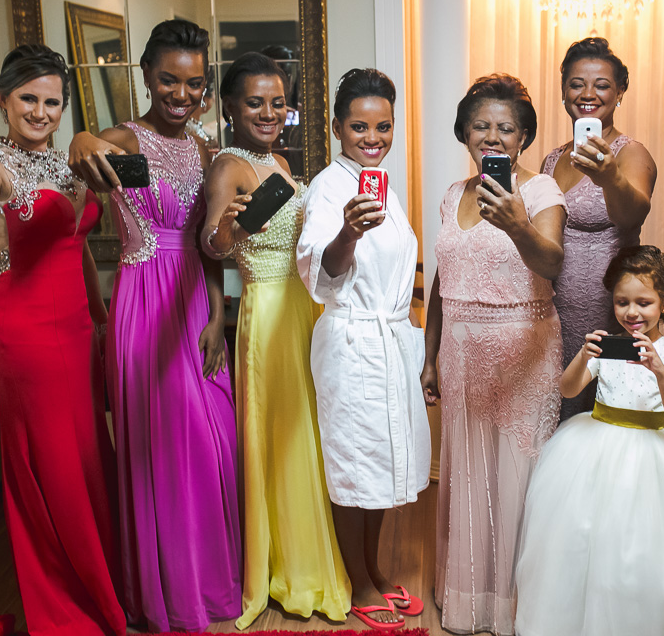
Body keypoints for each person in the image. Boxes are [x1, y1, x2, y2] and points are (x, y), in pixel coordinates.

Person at [0, 44, 125, 636]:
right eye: (28, 99)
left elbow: (77, 243)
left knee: (87, 456)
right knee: (54, 466)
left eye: (53, 102)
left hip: (76, 331)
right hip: (25, 337)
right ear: (3, 101)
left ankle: (104, 580)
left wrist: (100, 316)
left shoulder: (69, 161)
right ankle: (69, 596)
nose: (41, 112)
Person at [68, 20, 242, 633]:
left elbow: (209, 242)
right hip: (143, 303)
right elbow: (78, 159)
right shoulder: (117, 140)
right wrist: (82, 136)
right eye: (169, 80)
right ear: (146, 76)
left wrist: (218, 315)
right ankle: (167, 592)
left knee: (216, 439)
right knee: (163, 446)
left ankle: (211, 580)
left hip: (197, 299)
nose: (182, 94)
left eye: (194, 84)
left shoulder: (205, 150)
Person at [514, 246, 664, 636]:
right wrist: (583, 355)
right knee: (589, 540)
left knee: (653, 551)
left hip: (660, 453)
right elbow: (568, 389)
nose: (632, 312)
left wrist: (658, 368)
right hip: (596, 450)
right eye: (622, 302)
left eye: (643, 303)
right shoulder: (607, 348)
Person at [203, 51, 350, 628]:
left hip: (302, 307)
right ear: (230, 107)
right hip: (268, 311)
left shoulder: (281, 161)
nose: (269, 113)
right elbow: (212, 244)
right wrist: (232, 226)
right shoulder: (229, 166)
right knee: (284, 438)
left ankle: (305, 554)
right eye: (255, 103)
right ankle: (292, 568)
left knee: (308, 432)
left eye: (278, 103)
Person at [422, 74, 567, 636]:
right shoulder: (451, 194)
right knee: (467, 472)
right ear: (463, 132)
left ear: (523, 138)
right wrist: (430, 356)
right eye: (480, 125)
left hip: (523, 353)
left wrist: (517, 224)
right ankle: (468, 597)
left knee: (517, 476)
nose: (492, 136)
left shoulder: (541, 191)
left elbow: (552, 264)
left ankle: (514, 605)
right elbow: (442, 281)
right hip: (460, 354)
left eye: (506, 128)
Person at [296, 68, 429, 630]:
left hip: (390, 339)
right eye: (358, 127)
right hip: (351, 343)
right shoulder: (329, 187)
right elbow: (319, 273)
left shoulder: (383, 185)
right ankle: (358, 582)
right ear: (336, 128)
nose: (372, 138)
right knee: (354, 467)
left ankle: (372, 568)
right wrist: (348, 232)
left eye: (383, 126)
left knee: (381, 464)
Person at [540, 37, 657, 421]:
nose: (588, 94)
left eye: (602, 85)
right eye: (576, 84)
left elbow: (632, 216)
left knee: (602, 419)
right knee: (556, 413)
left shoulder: (630, 153)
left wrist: (610, 178)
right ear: (563, 91)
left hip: (609, 314)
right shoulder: (552, 159)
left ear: (620, 92)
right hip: (552, 314)